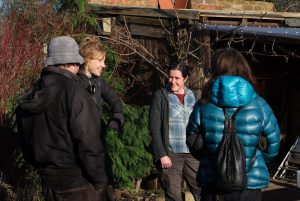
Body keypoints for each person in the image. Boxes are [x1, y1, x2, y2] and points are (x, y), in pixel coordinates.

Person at [16, 36, 108, 201]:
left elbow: (25, 141)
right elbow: (90, 143)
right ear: (74, 63)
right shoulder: (75, 93)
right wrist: (100, 181)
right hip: (80, 185)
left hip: (49, 185)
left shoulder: (32, 93)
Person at [187, 47, 280, 201]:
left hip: (213, 182)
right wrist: (253, 156)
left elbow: (192, 141)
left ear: (216, 69)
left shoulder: (203, 105)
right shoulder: (260, 105)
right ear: (243, 68)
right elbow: (273, 145)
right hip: (250, 184)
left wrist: (209, 154)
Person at [78, 35, 124, 201]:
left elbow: (114, 100)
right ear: (86, 60)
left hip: (99, 143)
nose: (103, 65)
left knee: (107, 188)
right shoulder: (75, 83)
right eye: (99, 61)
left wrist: (117, 116)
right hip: (82, 147)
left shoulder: (99, 82)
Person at [149, 62, 201, 201]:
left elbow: (200, 123)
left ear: (185, 79)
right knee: (174, 197)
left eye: (177, 78)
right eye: (170, 77)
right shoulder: (161, 95)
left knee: (202, 191)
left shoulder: (194, 96)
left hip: (193, 154)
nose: (173, 81)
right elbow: (154, 126)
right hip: (171, 155)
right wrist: (161, 154)